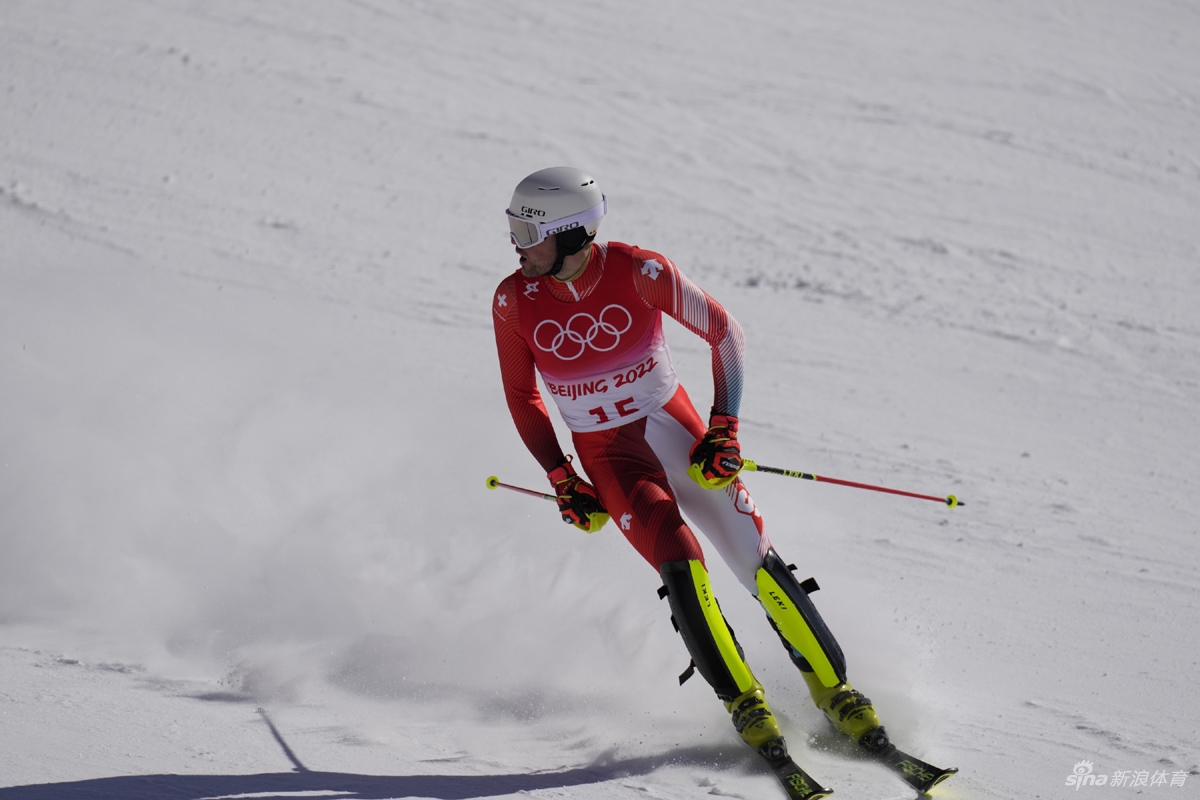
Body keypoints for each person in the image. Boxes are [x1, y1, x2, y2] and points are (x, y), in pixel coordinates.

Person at [490, 166, 891, 768]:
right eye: (513, 228)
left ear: (571, 234)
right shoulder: (513, 301)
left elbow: (725, 333)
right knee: (681, 559)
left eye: (528, 232)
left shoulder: (638, 270)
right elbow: (523, 396)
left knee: (752, 555)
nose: (516, 244)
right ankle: (745, 701)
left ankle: (835, 690)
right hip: (612, 457)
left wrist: (725, 427)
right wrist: (561, 478)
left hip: (677, 434)